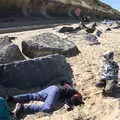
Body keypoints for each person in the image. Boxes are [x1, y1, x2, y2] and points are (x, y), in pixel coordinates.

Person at [7, 84, 84, 118]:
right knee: (47, 108)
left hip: (53, 87)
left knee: (33, 95)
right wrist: (70, 106)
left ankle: (13, 98)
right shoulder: (78, 96)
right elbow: (73, 99)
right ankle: (23, 107)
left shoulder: (71, 89)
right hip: (56, 91)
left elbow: (64, 83)